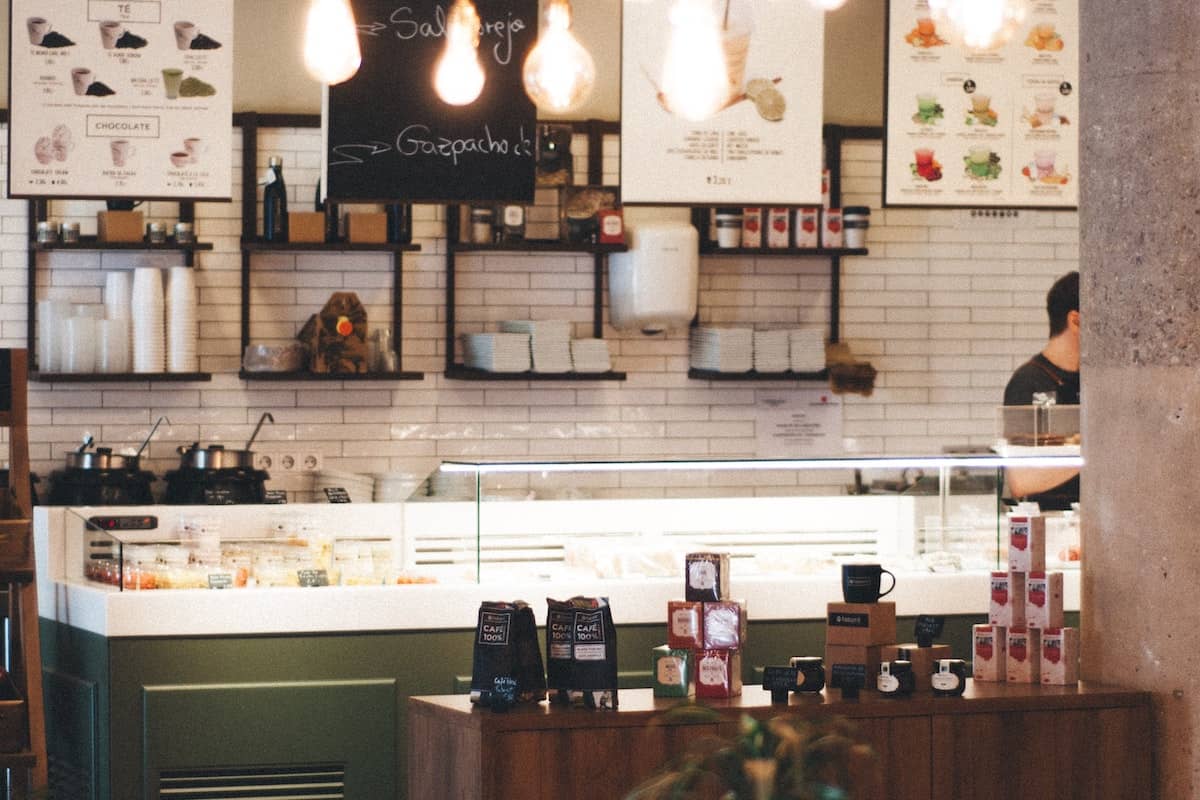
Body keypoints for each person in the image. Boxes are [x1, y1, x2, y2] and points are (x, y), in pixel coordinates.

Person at [1003, 270, 1080, 509]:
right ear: (1075, 321)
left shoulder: (1097, 382)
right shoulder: (1027, 382)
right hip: (1047, 530)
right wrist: (1098, 449)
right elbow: (1021, 480)